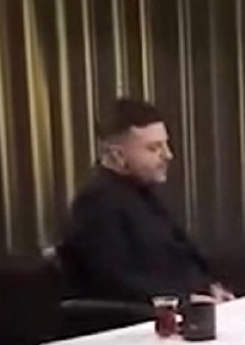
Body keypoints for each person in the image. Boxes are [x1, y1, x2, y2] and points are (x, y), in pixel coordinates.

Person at [59, 98, 235, 303]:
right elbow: (117, 283)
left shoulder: (143, 194)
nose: (168, 155)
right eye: (154, 148)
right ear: (118, 156)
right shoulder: (96, 203)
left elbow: (180, 258)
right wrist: (185, 300)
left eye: (166, 145)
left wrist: (209, 288)